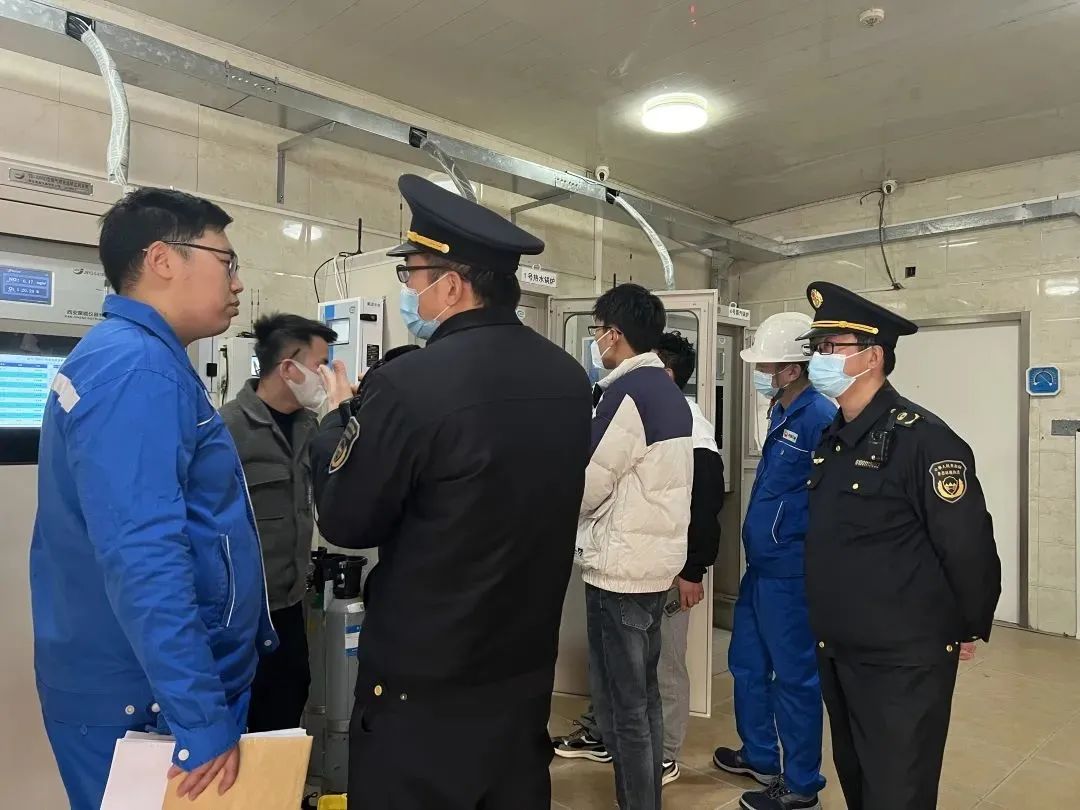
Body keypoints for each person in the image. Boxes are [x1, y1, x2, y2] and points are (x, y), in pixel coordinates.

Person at [309, 174, 593, 809]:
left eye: (411, 274)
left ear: (453, 284)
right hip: (521, 671)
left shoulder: (411, 384)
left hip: (424, 685)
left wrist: (335, 423)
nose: (407, 290)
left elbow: (348, 521)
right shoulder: (567, 377)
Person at [30, 188, 276, 810]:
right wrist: (199, 715)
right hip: (147, 701)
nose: (238, 283)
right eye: (226, 262)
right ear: (163, 259)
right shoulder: (136, 370)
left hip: (145, 686)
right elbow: (144, 557)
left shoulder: (131, 357)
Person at [800, 281, 1001, 810]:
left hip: (901, 658)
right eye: (816, 347)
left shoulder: (924, 439)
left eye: (831, 346)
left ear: (873, 357)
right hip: (840, 647)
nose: (819, 357)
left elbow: (968, 546)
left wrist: (967, 625)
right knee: (859, 780)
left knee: (897, 790)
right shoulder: (835, 438)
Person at [553, 330, 723, 789]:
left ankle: (661, 758)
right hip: (636, 558)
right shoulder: (649, 406)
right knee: (624, 674)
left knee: (655, 675)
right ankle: (608, 737)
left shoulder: (683, 420)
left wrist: (693, 570)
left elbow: (703, 504)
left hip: (650, 566)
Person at [577, 284, 694, 810]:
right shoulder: (667, 392)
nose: (596, 339)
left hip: (619, 571)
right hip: (652, 567)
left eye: (598, 329)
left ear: (615, 333)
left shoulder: (627, 393)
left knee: (623, 710)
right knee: (644, 700)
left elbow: (589, 483)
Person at [713, 312, 835, 810]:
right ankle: (761, 755)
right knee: (746, 663)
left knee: (794, 677)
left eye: (767, 366)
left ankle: (801, 784)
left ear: (792, 368)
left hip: (791, 571)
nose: (761, 374)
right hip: (762, 566)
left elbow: (828, 501)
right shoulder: (781, 410)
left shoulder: (819, 417)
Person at [219, 313, 337, 732]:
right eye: (321, 365)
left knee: (288, 705)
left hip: (289, 605)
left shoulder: (310, 425)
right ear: (289, 368)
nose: (326, 376)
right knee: (244, 719)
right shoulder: (227, 428)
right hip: (241, 613)